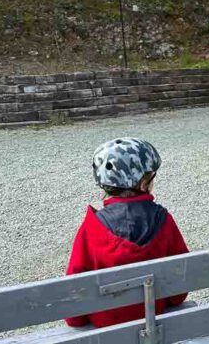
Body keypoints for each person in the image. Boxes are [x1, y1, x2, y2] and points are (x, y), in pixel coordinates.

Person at [65, 138, 189, 328]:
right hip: (155, 333)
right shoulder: (164, 221)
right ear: (142, 184)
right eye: (152, 177)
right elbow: (178, 293)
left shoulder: (91, 229)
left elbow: (74, 314)